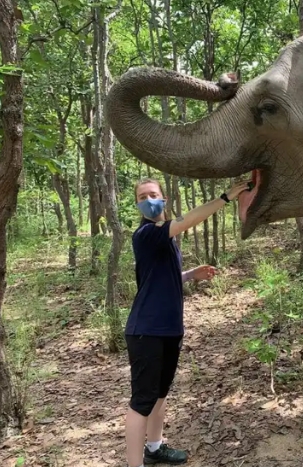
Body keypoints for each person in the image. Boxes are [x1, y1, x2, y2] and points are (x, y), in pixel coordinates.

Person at [124, 177, 250, 467]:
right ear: (138, 204)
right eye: (142, 196)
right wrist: (225, 198)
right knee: (142, 401)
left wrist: (190, 274)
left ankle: (154, 449)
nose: (148, 199)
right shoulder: (146, 234)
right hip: (146, 331)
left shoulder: (164, 239)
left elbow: (157, 280)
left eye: (153, 194)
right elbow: (187, 219)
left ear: (164, 198)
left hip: (169, 329)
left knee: (160, 394)